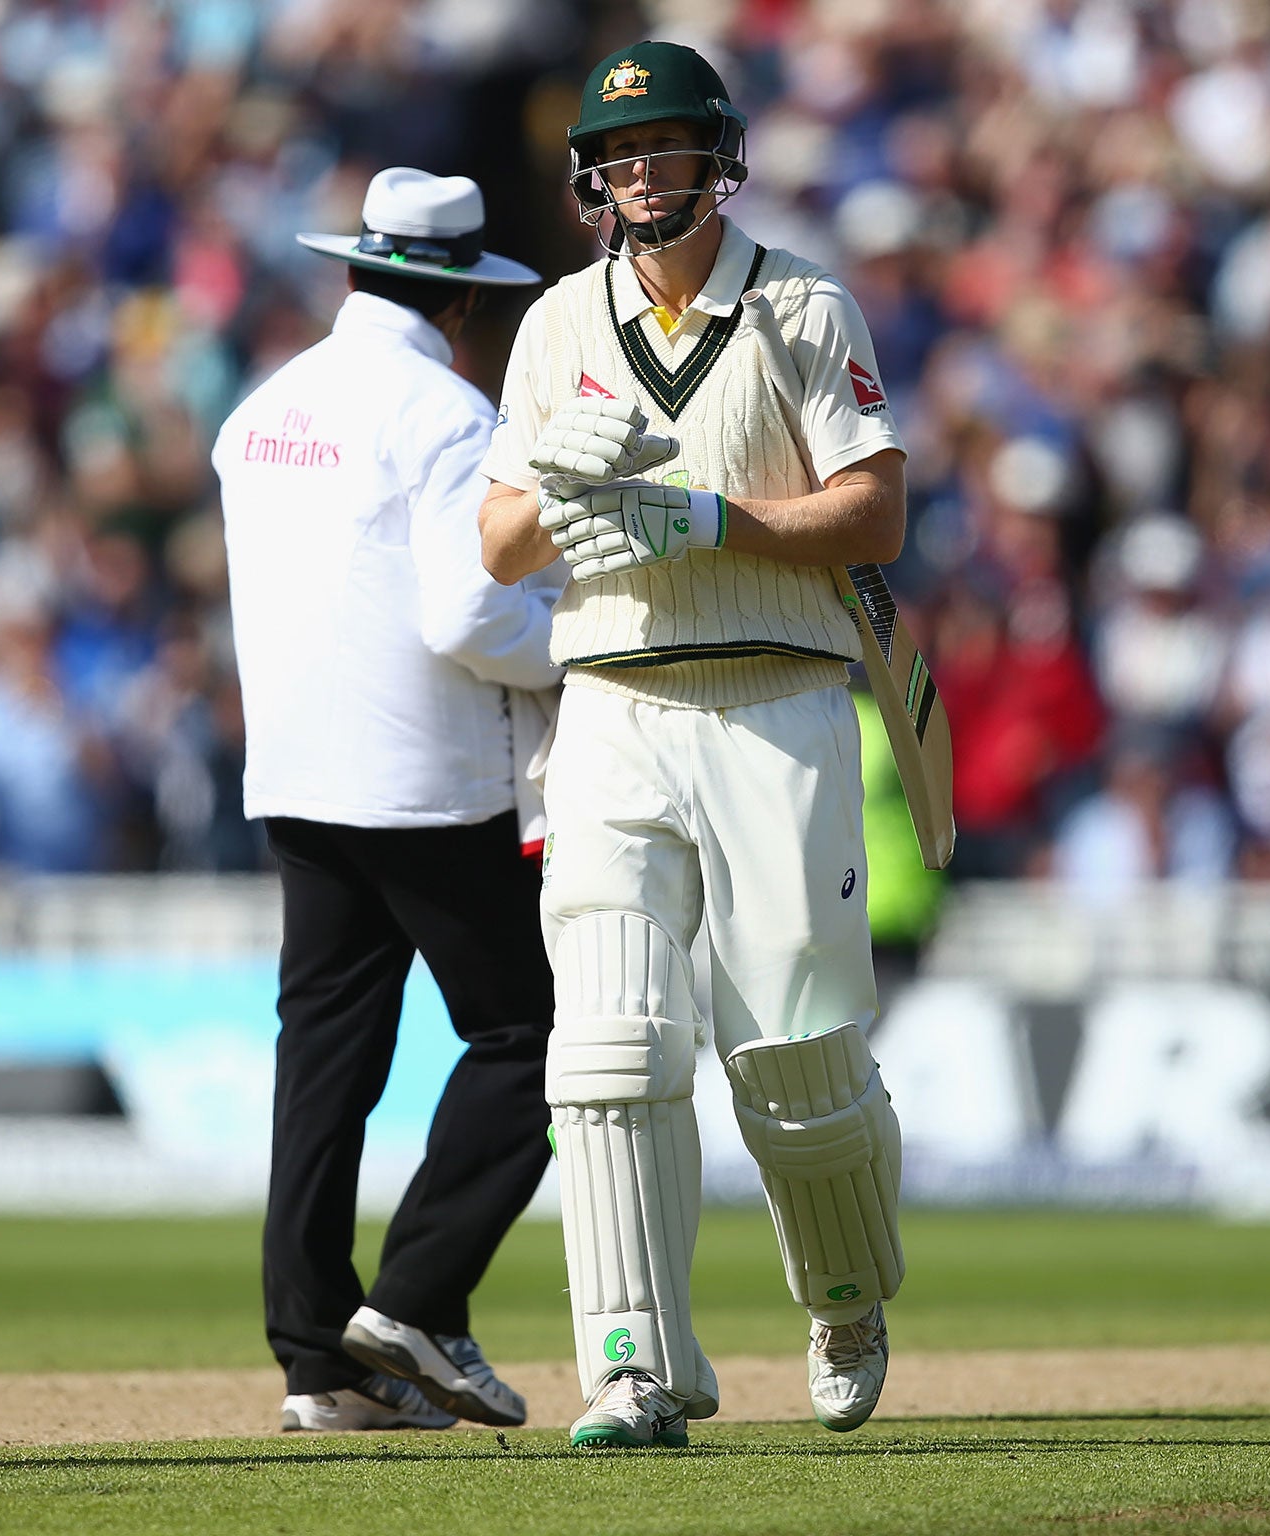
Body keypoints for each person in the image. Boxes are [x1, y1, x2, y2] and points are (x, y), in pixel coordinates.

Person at [478, 41, 911, 1448]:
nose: (641, 176)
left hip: (777, 700)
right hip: (611, 703)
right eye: (619, 156)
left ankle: (843, 1295)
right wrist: (563, 481)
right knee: (606, 1044)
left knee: (794, 1051)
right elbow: (497, 549)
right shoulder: (554, 325)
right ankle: (632, 1366)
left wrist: (721, 522)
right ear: (590, 176)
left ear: (716, 158)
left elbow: (877, 513)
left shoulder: (799, 303)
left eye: (664, 150)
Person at [213, 167, 560, 1433]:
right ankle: (415, 1300)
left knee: (324, 1063)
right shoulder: (450, 415)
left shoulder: (259, 408)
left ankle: (317, 1361)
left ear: (355, 272)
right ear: (463, 302)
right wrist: (579, 637)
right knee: (543, 1034)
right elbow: (468, 612)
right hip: (422, 778)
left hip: (296, 775)